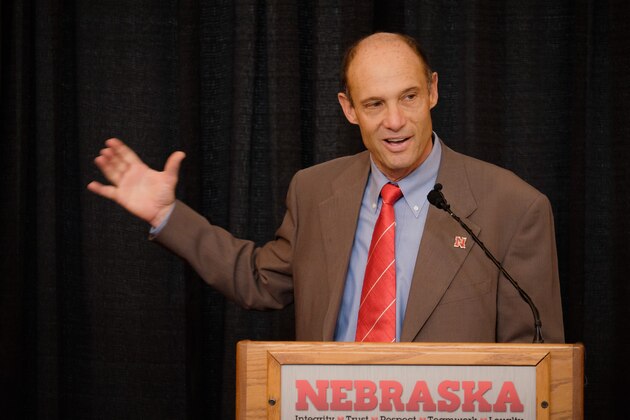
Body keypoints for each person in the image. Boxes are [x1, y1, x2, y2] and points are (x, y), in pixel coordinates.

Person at [88, 32, 564, 343]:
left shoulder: (514, 207)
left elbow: (538, 361)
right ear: (348, 108)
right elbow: (258, 281)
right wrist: (167, 215)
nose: (395, 122)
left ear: (434, 90)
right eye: (374, 104)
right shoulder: (314, 192)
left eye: (410, 97)